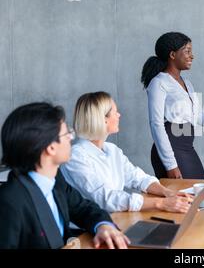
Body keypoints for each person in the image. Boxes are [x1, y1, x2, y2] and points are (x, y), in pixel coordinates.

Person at [0, 102, 129, 249]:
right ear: (51, 147)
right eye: (67, 133)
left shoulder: (55, 180)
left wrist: (104, 226)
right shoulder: (10, 201)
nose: (70, 138)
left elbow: (83, 209)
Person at [60, 92, 193, 213]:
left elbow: (138, 178)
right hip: (89, 229)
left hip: (115, 219)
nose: (119, 115)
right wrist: (161, 203)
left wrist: (168, 193)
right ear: (103, 119)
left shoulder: (112, 150)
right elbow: (105, 198)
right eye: (115, 112)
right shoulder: (76, 156)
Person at [142, 32, 204, 179]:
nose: (192, 56)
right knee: (185, 198)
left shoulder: (187, 84)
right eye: (187, 51)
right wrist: (170, 164)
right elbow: (156, 124)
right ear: (172, 54)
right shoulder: (159, 83)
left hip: (186, 147)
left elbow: (197, 116)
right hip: (170, 150)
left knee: (199, 193)